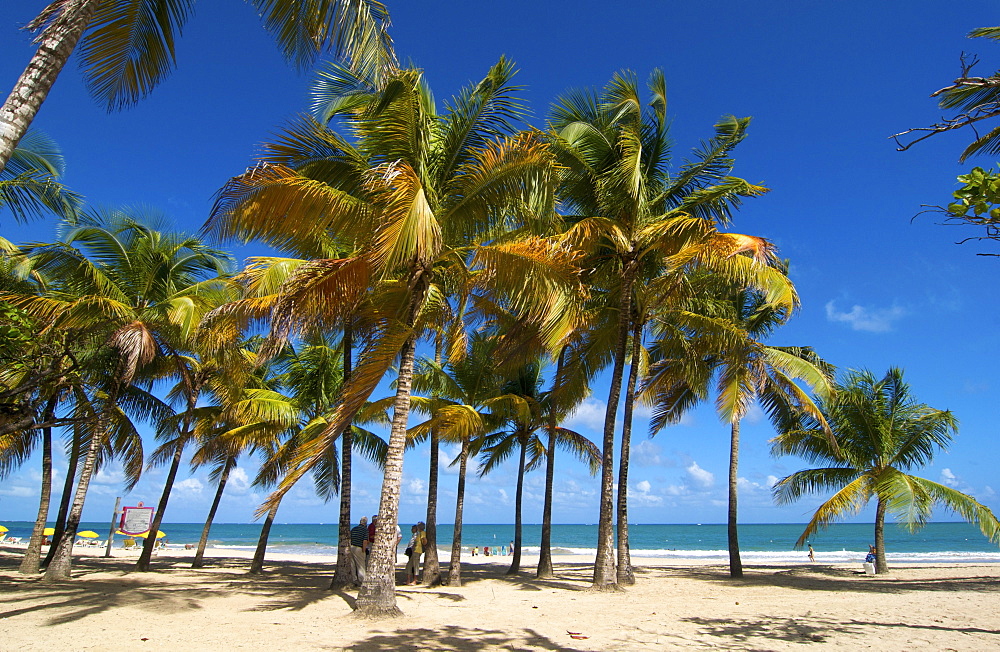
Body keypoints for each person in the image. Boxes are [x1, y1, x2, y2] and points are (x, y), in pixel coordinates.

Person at [350, 517, 369, 584]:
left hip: (351, 547)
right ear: (365, 523)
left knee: (353, 564)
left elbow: (350, 538)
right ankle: (362, 580)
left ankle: (354, 579)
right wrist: (363, 550)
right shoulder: (365, 530)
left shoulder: (354, 529)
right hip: (359, 548)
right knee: (361, 565)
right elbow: (365, 541)